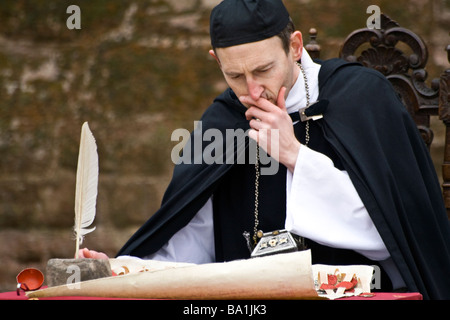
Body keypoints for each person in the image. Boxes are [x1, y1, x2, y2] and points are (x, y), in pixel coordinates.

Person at [80, 0, 450, 299]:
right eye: (235, 76)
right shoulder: (223, 121)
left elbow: (397, 230)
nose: (252, 91)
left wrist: (294, 155)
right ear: (216, 60)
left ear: (295, 46)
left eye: (263, 69)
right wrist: (126, 269)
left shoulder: (361, 99)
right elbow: (194, 240)